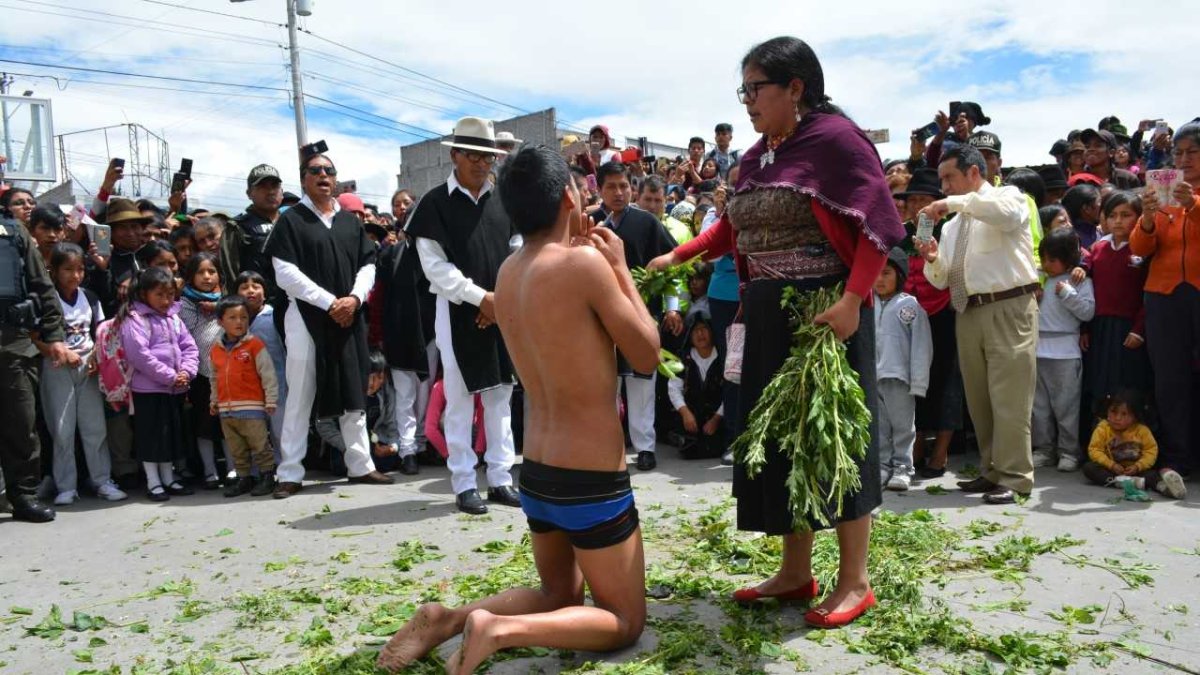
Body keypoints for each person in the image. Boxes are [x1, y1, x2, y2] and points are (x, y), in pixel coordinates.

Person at [650, 36, 904, 627]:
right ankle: (795, 572)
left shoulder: (837, 141)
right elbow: (730, 232)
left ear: (796, 88)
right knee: (781, 439)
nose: (747, 101)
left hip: (824, 312)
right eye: (743, 89)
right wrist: (677, 257)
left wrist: (852, 300)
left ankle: (855, 580)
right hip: (764, 311)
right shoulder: (755, 156)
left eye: (755, 88)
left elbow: (877, 226)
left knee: (836, 441)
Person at [377, 144, 657, 675]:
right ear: (569, 199)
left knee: (558, 592)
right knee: (624, 620)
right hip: (591, 476)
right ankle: (497, 628)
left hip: (540, 474)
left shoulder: (508, 272)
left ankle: (451, 618)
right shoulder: (585, 265)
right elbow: (644, 353)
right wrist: (619, 267)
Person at [405, 117, 519, 514]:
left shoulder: (503, 199)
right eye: (472, 155)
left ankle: (502, 478)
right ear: (454, 155)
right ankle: (465, 482)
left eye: (487, 157)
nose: (480, 163)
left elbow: (518, 250)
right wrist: (478, 299)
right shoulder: (434, 203)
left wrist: (497, 299)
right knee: (459, 399)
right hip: (454, 311)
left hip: (502, 308)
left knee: (500, 395)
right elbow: (436, 267)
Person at [265, 145, 393, 498]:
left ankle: (361, 465)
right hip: (307, 317)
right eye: (316, 171)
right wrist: (328, 302)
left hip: (348, 317)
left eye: (329, 171)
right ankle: (290, 472)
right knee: (301, 394)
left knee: (354, 391)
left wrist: (353, 298)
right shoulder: (291, 220)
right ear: (304, 180)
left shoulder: (350, 223)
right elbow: (284, 273)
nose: (323, 176)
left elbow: (369, 264)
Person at [915, 144, 1039, 505]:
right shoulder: (953, 227)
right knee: (980, 399)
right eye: (941, 182)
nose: (945, 188)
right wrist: (933, 258)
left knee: (1010, 398)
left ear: (973, 172)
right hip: (967, 310)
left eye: (949, 178)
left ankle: (1016, 477)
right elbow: (941, 279)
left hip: (1008, 306)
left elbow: (1005, 214)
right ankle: (991, 470)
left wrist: (952, 204)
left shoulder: (1009, 196)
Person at [593, 161, 680, 471]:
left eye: (624, 186)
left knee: (642, 381)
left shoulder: (647, 223)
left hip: (640, 314)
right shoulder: (590, 225)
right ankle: (611, 445)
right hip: (599, 320)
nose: (618, 192)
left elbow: (673, 269)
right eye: (611, 187)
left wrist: (672, 306)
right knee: (606, 383)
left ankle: (645, 447)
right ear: (599, 190)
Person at [1131, 121, 1200, 479]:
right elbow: (1140, 249)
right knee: (1170, 379)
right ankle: (1178, 457)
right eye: (1179, 153)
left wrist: (1196, 205)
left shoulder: (1190, 197)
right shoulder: (1164, 193)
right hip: (1163, 295)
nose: (1184, 159)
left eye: (1193, 152)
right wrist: (1146, 217)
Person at [36, 243, 126, 505]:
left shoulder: (90, 297)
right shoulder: (46, 299)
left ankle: (102, 480)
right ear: (53, 270)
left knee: (94, 427)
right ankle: (66, 485)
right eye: (68, 269)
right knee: (62, 428)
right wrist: (58, 352)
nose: (75, 275)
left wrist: (97, 357)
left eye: (79, 269)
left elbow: (100, 332)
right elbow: (35, 337)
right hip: (56, 367)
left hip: (88, 366)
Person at [0, 207, 70, 521]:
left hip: (12, 344)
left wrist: (54, 334)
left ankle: (23, 496)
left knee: (21, 424)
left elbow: (42, 286)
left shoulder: (13, 232)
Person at [894, 169, 962, 479]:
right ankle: (917, 444)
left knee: (946, 381)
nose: (918, 205)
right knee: (915, 380)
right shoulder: (900, 234)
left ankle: (941, 451)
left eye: (925, 199)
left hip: (944, 314)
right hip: (910, 316)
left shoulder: (950, 230)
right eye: (913, 199)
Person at [119, 267, 198, 502]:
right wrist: (170, 376)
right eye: (159, 295)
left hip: (174, 388)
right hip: (149, 389)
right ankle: (153, 482)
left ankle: (169, 478)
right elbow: (140, 356)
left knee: (169, 436)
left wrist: (186, 371)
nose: (166, 300)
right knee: (151, 436)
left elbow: (189, 347)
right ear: (144, 294)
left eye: (170, 295)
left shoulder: (174, 318)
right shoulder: (136, 319)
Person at [375, 207, 436, 477]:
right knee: (404, 395)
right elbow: (379, 298)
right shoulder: (390, 255)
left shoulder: (438, 254)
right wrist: (379, 335)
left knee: (425, 393)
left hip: (431, 335)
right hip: (399, 334)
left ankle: (421, 442)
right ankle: (408, 450)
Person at [1084, 192, 1151, 421]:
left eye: (1126, 215)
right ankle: (1101, 441)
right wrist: (1085, 328)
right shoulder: (1097, 250)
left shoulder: (1143, 250)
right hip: (1101, 327)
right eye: (1112, 215)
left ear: (1140, 217)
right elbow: (1087, 291)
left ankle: (1134, 444)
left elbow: (1149, 294)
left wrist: (1139, 329)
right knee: (1101, 382)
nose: (1118, 221)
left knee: (1130, 384)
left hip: (1130, 328)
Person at [1032, 229, 1095, 472]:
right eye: (1044, 259)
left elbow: (1088, 312)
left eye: (1052, 259)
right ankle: (1044, 449)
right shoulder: (1041, 279)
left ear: (1068, 259)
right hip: (1038, 349)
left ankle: (1069, 451)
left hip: (1066, 352)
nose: (1047, 265)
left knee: (1066, 406)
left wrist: (1068, 294)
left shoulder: (1080, 281)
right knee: (1040, 407)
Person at [873, 248, 932, 492]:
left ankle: (903, 468)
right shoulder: (867, 304)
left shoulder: (909, 307)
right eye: (876, 273)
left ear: (899, 275)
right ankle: (883, 465)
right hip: (872, 377)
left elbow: (921, 346)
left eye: (886, 273)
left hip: (899, 378)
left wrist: (918, 381)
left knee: (902, 427)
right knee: (879, 426)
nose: (880, 279)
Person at [209, 294, 278, 498]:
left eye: (244, 317)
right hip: (226, 410)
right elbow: (214, 377)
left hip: (252, 408)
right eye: (232, 317)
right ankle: (244, 478)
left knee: (260, 445)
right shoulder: (216, 350)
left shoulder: (254, 345)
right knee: (236, 449)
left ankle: (267, 477)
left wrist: (271, 399)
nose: (239, 322)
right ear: (220, 321)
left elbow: (268, 373)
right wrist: (214, 400)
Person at [179, 252, 229, 489]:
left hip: (229, 373)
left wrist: (220, 308)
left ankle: (233, 469)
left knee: (230, 423)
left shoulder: (229, 301)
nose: (207, 277)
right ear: (190, 276)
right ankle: (210, 472)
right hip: (200, 373)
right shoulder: (183, 304)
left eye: (212, 271)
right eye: (201, 272)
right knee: (204, 424)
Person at [1084, 390, 1185, 499]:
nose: (1117, 418)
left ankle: (1163, 487)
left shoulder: (1142, 430)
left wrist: (1138, 466)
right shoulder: (1103, 428)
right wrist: (1111, 465)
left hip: (1136, 471)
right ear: (1107, 411)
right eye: (1113, 412)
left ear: (1135, 416)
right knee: (1089, 468)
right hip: (1112, 471)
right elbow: (1094, 450)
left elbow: (1151, 451)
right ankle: (1119, 482)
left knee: (1152, 475)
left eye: (1124, 414)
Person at [235, 271, 286, 453]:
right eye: (244, 287)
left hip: (277, 385)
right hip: (248, 389)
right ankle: (259, 472)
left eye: (256, 286)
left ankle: (286, 470)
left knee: (280, 431)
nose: (250, 291)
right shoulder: (235, 321)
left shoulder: (274, 316)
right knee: (255, 434)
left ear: (265, 293)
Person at [667, 311, 726, 460]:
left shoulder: (723, 357)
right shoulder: (684, 357)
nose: (700, 334)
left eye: (704, 328)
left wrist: (716, 419)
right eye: (695, 330)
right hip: (692, 417)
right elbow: (673, 388)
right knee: (689, 450)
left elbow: (731, 392)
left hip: (717, 417)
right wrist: (685, 413)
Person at [220, 164, 283, 297]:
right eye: (263, 187)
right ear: (249, 193)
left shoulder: (292, 223)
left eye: (275, 186)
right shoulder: (237, 228)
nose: (271, 191)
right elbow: (230, 276)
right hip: (255, 307)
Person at [1061, 183, 1102, 249]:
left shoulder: (1099, 232)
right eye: (1100, 201)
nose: (1103, 206)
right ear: (1087, 209)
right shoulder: (1072, 240)